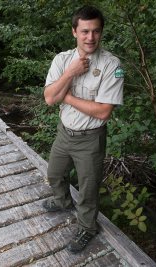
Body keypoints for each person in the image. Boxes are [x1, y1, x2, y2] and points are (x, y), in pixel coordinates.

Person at [43, 5, 124, 253]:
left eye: (96, 31)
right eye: (85, 31)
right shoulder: (62, 60)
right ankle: (62, 200)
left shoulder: (111, 65)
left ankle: (87, 228)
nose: (91, 37)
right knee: (55, 174)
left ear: (101, 33)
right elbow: (48, 97)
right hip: (64, 132)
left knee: (88, 190)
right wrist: (70, 73)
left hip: (90, 139)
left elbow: (103, 111)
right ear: (74, 32)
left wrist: (65, 97)